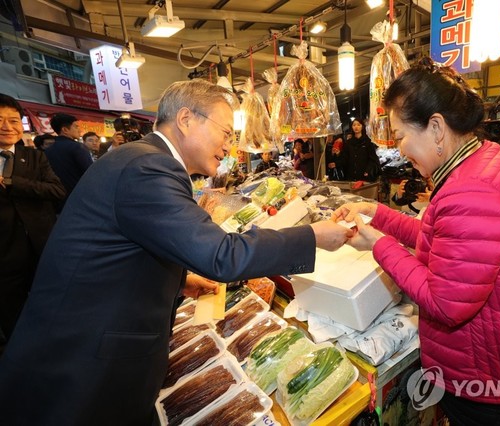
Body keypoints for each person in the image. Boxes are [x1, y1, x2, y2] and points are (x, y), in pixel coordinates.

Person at [0, 79, 352, 425]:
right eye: (227, 133)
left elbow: (127, 246)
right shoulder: (148, 167)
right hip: (82, 364)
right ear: (186, 119)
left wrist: (179, 279)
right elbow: (222, 255)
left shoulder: (139, 158)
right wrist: (312, 236)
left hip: (85, 349)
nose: (230, 146)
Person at [333, 58, 500, 425]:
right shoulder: (483, 159)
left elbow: (447, 304)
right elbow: (444, 243)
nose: (399, 149)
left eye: (400, 135)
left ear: (435, 128)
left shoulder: (471, 190)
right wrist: (377, 213)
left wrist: (379, 246)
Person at [0, 94, 65, 352]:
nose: (7, 126)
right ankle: (21, 357)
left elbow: (57, 190)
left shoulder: (35, 157)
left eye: (13, 120)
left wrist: (12, 183)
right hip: (4, 256)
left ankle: (52, 349)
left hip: (41, 247)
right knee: (11, 313)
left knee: (50, 303)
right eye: (0, 120)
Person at [45, 113, 93, 202]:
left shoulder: (48, 150)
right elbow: (90, 172)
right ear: (65, 130)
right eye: (76, 126)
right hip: (80, 195)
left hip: (58, 198)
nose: (79, 130)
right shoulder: (77, 147)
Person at [344, 118, 380, 182]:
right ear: (352, 127)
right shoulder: (348, 143)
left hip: (364, 176)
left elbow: (373, 159)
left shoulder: (367, 143)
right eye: (354, 125)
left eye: (358, 125)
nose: (356, 127)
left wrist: (368, 170)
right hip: (351, 176)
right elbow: (345, 158)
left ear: (362, 126)